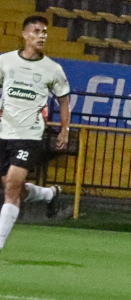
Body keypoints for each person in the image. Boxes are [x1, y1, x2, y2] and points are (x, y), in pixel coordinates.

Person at [0, 16, 70, 253]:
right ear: (25, 35)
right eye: (37, 31)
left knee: (11, 187)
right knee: (14, 187)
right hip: (3, 133)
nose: (42, 36)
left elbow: (63, 101)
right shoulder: (6, 62)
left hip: (29, 135)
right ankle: (48, 194)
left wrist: (64, 130)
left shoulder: (52, 69)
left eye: (45, 32)